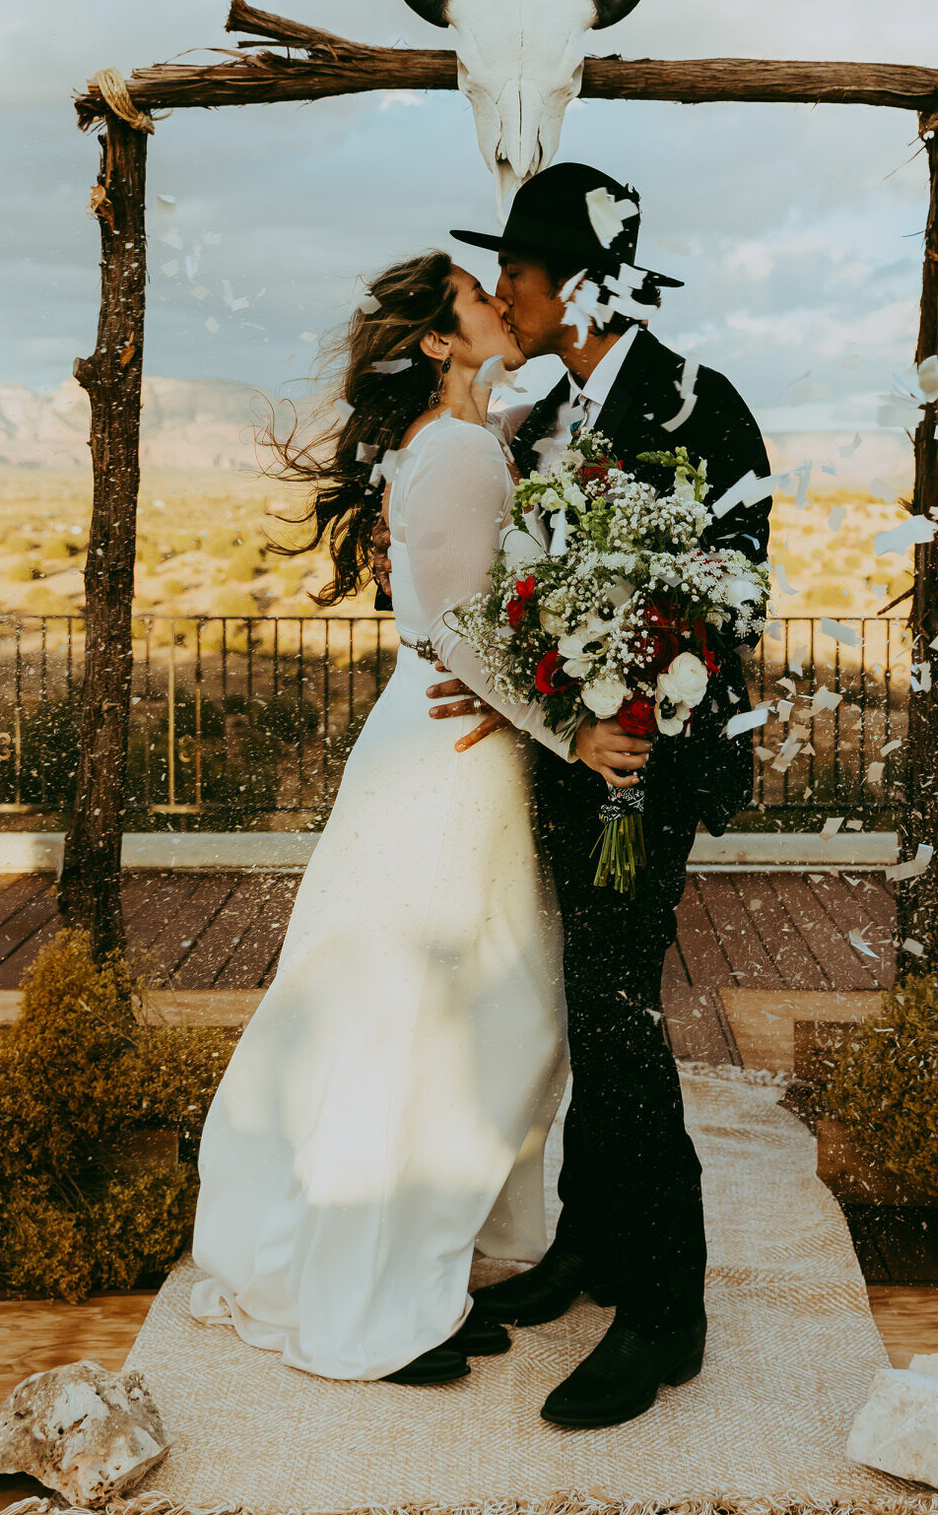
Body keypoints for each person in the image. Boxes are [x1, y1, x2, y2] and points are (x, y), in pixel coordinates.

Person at [187, 249, 647, 1386]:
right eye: (477, 300)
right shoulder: (448, 450)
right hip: (447, 753)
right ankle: (369, 1303)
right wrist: (576, 731)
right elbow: (453, 632)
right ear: (440, 342)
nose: (502, 304)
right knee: (428, 1022)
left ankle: (425, 1267)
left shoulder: (473, 434)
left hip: (461, 743)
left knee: (486, 1018)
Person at [419, 162, 772, 1428]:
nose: (503, 290)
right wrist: (526, 692)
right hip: (575, 762)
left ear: (570, 281)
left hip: (648, 772)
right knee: (589, 999)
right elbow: (524, 592)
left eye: (514, 268)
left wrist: (632, 717)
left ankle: (666, 1306)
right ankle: (591, 1242)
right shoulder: (549, 413)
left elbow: (734, 596)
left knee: (619, 1009)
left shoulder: (700, 405)